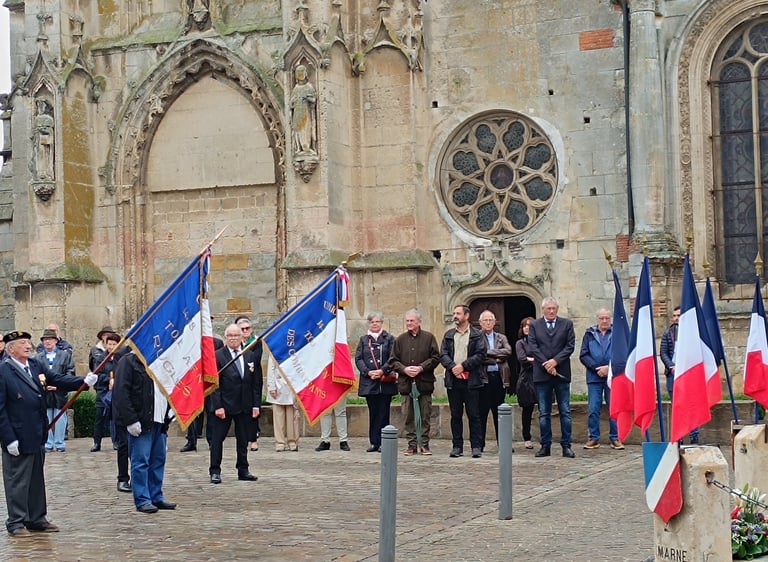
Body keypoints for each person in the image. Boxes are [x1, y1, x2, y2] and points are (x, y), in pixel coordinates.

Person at [0, 330, 97, 536]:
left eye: (28, 342)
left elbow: (57, 378)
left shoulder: (34, 365)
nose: (28, 345)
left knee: (36, 479)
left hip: (37, 432)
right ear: (11, 349)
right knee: (17, 480)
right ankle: (16, 522)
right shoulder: (4, 371)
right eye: (23, 343)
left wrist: (83, 381)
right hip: (17, 435)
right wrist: (8, 438)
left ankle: (36, 518)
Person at [112, 350, 177, 513]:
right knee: (141, 461)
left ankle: (156, 496)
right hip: (141, 420)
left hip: (160, 420)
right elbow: (121, 393)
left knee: (158, 460)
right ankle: (142, 498)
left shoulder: (161, 360)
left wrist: (171, 410)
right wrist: (131, 420)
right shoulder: (129, 361)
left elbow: (168, 387)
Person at [208, 324, 263, 484]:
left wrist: (255, 405)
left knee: (243, 439)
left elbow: (256, 383)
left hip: (244, 405)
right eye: (230, 335)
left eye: (236, 335)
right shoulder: (218, 356)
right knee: (217, 440)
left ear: (241, 338)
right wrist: (217, 406)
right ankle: (215, 470)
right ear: (226, 338)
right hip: (224, 406)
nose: (233, 338)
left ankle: (243, 469)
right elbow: (214, 384)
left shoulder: (249, 355)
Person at [528, 297, 576, 459]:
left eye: (554, 308)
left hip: (561, 372)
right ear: (543, 310)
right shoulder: (535, 325)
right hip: (542, 374)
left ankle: (566, 445)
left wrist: (555, 361)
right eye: (548, 308)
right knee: (544, 412)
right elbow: (533, 346)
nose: (551, 311)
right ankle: (545, 445)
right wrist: (546, 364)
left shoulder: (566, 324)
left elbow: (570, 346)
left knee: (565, 411)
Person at [389, 309, 440, 456]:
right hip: (406, 384)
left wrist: (421, 368)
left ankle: (424, 444)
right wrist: (404, 369)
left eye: (412, 321)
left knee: (425, 414)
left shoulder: (429, 338)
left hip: (424, 383)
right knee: (408, 415)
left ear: (419, 322)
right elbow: (393, 360)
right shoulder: (400, 340)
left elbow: (436, 357)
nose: (409, 323)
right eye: (407, 321)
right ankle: (411, 445)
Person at [440, 305, 487, 458]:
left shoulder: (477, 334)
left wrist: (463, 366)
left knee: (474, 414)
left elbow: (481, 354)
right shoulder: (449, 334)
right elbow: (443, 354)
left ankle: (476, 446)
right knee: (455, 415)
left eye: (458, 313)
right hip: (454, 380)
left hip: (472, 380)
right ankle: (457, 446)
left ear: (466, 316)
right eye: (454, 313)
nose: (455, 316)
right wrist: (454, 367)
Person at [580, 308, 623, 450]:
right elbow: (583, 354)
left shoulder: (617, 334)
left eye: (607, 318)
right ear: (597, 319)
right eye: (601, 318)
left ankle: (615, 438)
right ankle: (593, 438)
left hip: (613, 376)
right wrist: (597, 368)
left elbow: (622, 354)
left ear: (610, 319)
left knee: (614, 408)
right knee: (593, 408)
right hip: (594, 376)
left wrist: (609, 368)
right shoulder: (589, 334)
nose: (604, 321)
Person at [356, 312, 397, 453]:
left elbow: (393, 357)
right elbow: (359, 359)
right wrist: (368, 372)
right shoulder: (363, 340)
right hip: (369, 382)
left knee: (384, 412)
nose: (375, 324)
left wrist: (382, 371)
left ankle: (384, 442)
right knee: (373, 413)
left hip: (384, 382)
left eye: (377, 321)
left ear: (382, 323)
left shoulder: (390, 339)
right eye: (372, 322)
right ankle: (374, 442)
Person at [661, 306, 699, 444]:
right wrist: (671, 366)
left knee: (692, 406)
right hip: (673, 374)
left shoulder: (692, 333)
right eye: (674, 316)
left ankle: (694, 436)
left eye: (679, 315)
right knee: (677, 407)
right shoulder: (668, 333)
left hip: (688, 374)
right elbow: (663, 353)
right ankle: (679, 437)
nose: (676, 318)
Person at [36, 328, 76, 453]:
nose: (47, 342)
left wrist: (60, 385)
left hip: (60, 391)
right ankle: (48, 442)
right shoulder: (38, 357)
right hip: (45, 392)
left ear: (55, 341)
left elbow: (70, 372)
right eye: (45, 340)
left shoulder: (64, 355)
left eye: (50, 339)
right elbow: (35, 373)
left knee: (60, 417)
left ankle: (59, 443)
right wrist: (43, 385)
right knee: (46, 417)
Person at [477, 310, 512, 452]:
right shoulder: (477, 337)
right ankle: (480, 444)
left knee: (500, 412)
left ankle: (503, 444)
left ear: (495, 321)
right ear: (480, 322)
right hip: (483, 379)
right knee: (482, 413)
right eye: (485, 320)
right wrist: (496, 358)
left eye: (490, 319)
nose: (488, 322)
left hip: (499, 378)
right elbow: (479, 355)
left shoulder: (501, 337)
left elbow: (508, 351)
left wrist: (488, 354)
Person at [91, 333, 121, 452]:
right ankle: (97, 442)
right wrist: (109, 380)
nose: (111, 347)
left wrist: (116, 380)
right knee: (99, 418)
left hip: (117, 392)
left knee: (115, 418)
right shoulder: (100, 358)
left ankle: (116, 441)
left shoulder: (120, 358)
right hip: (103, 391)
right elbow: (96, 374)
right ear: (105, 344)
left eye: (114, 344)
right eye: (109, 344)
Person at [236, 316, 260, 452]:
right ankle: (243, 438)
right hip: (238, 380)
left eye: (247, 328)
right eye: (242, 329)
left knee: (253, 409)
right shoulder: (236, 343)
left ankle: (253, 439)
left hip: (253, 377)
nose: (245, 331)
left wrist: (245, 349)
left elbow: (256, 359)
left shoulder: (256, 342)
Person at [265, 355, 299, 452]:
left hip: (291, 385)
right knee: (278, 417)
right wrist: (271, 387)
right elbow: (271, 369)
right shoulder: (275, 347)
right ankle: (280, 442)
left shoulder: (294, 347)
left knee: (291, 417)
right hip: (277, 385)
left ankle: (292, 441)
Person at [515, 317, 538, 449]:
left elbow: (543, 356)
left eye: (529, 325)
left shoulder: (539, 342)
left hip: (539, 377)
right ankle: (527, 437)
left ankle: (545, 438)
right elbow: (522, 358)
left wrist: (533, 359)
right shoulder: (520, 343)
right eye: (524, 326)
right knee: (527, 409)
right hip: (526, 379)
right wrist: (535, 359)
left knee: (544, 409)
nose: (527, 328)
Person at [290, 64, 317, 155]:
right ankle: (298, 148)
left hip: (305, 112)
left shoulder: (309, 87)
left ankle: (306, 147)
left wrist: (306, 98)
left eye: (301, 72)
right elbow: (291, 104)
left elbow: (313, 100)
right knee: (297, 129)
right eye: (298, 73)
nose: (300, 74)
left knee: (305, 128)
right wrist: (293, 101)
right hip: (297, 112)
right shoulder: (296, 88)